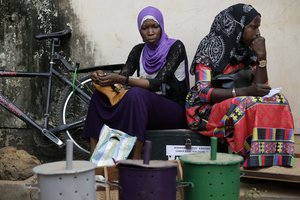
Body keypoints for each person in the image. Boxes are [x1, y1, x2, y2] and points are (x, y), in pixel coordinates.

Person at [186, 3, 294, 168]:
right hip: (204, 111)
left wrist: (262, 57)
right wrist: (244, 91)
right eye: (252, 27)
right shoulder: (210, 47)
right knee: (244, 104)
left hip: (237, 100)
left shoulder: (247, 49)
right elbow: (203, 92)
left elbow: (261, 87)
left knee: (279, 100)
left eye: (258, 27)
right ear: (237, 26)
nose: (257, 32)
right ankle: (248, 161)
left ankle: (271, 159)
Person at [83, 6, 189, 157]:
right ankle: (94, 159)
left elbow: (157, 83)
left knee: (136, 94)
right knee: (100, 95)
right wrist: (102, 78)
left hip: (172, 111)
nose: (150, 32)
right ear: (140, 30)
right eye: (145, 28)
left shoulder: (175, 47)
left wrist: (122, 79)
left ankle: (136, 158)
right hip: (143, 110)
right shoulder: (138, 51)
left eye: (155, 26)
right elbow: (119, 82)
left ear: (162, 26)